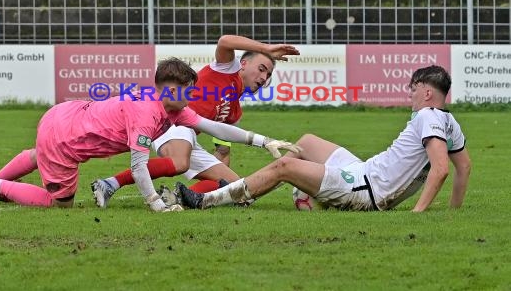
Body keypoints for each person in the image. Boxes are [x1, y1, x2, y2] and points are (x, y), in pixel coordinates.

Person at [0, 57, 301, 212]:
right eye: (188, 90)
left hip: (63, 115)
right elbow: (140, 167)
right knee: (59, 203)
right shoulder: (146, 114)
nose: (191, 96)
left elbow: (211, 126)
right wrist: (155, 204)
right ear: (171, 89)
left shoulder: (171, 105)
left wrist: (262, 141)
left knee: (40, 154)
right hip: (64, 138)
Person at [176, 65, 472, 213]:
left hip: (365, 189)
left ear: (427, 92)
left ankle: (211, 199)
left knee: (284, 168)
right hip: (364, 171)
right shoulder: (448, 120)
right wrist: (453, 212)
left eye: (414, 88)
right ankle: (252, 188)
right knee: (305, 142)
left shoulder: (427, 117)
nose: (411, 93)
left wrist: (419, 214)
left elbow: (441, 168)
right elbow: (464, 167)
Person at [90, 35, 300, 208]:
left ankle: (176, 197)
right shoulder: (228, 69)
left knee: (234, 187)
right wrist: (267, 48)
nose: (264, 77)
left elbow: (223, 150)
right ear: (243, 63)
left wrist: (221, 178)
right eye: (262, 68)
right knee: (181, 162)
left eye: (269, 74)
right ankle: (110, 184)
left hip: (190, 133)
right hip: (173, 120)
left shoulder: (235, 110)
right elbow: (225, 41)